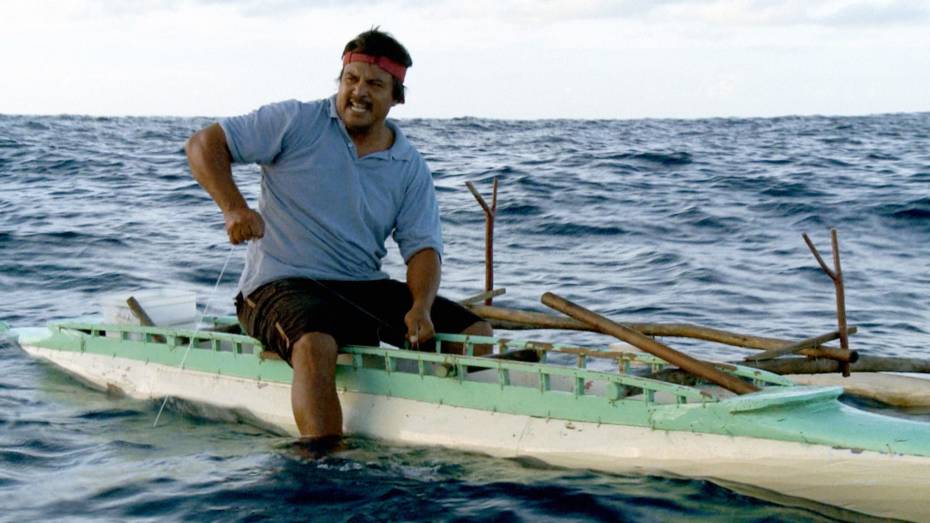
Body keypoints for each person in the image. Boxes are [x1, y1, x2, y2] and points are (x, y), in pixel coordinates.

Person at [185, 28, 492, 440]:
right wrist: (233, 208)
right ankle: (323, 460)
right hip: (277, 285)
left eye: (375, 84)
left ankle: (437, 423)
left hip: (360, 287)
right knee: (315, 343)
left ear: (396, 97)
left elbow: (422, 248)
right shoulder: (296, 121)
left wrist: (421, 307)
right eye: (351, 79)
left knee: (474, 335)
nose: (359, 92)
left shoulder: (409, 165)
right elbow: (204, 144)